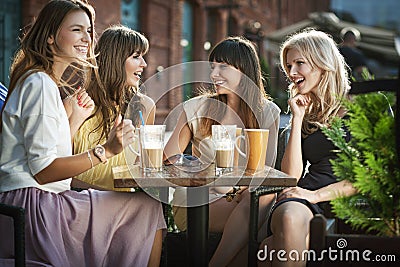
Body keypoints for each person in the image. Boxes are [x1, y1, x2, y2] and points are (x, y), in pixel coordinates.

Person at [0, 1, 165, 266]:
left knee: (146, 207)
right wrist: (107, 150)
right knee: (147, 208)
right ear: (51, 37)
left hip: (42, 200)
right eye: (77, 30)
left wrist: (74, 120)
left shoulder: (46, 85)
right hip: (32, 207)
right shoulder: (39, 83)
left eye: (89, 31)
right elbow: (44, 171)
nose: (87, 39)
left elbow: (48, 154)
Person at [163, 36, 281, 267]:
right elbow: (168, 158)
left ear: (244, 70)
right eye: (212, 67)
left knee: (262, 198)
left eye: (223, 67)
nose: (214, 74)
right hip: (198, 198)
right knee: (253, 224)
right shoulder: (197, 107)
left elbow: (264, 170)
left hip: (246, 198)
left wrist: (237, 191)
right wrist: (199, 169)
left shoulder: (268, 112)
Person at [259, 29, 357, 267]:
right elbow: (291, 177)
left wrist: (315, 195)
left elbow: (366, 176)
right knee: (289, 218)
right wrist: (297, 119)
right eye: (289, 66)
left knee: (269, 251)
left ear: (323, 64)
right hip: (302, 199)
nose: (291, 73)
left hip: (337, 197)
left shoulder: (360, 108)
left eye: (299, 64)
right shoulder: (306, 112)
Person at [71, 24, 156, 191]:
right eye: (136, 56)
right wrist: (105, 196)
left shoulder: (145, 107)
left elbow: (145, 170)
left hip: (125, 204)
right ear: (115, 60)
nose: (144, 64)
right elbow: (59, 173)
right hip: (80, 202)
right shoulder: (78, 103)